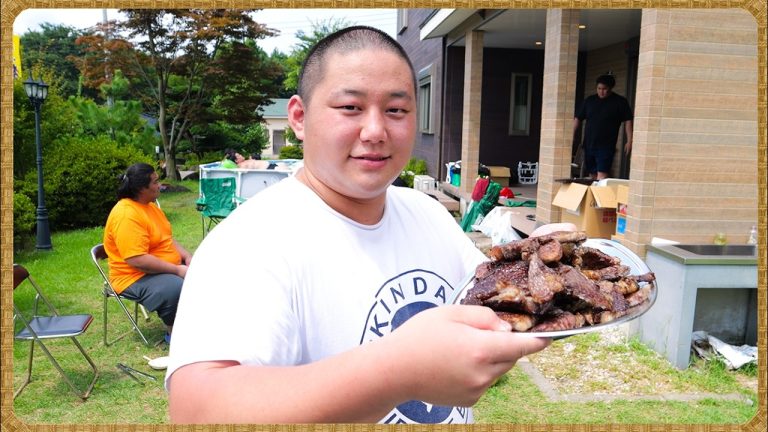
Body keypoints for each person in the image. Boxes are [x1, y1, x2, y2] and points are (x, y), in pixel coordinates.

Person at [166, 26, 551, 424]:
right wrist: (398, 371)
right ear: (299, 117)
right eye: (350, 107)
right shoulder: (249, 241)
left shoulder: (427, 213)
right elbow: (195, 407)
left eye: (396, 110)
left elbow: (493, 295)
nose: (375, 131)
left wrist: (549, 263)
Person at [103, 162, 192, 337]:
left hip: (157, 268)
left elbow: (167, 238)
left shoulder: (150, 206)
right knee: (176, 287)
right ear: (141, 189)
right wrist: (177, 269)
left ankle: (193, 324)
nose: (159, 185)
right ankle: (175, 335)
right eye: (155, 182)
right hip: (133, 276)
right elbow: (137, 260)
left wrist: (187, 257)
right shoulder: (126, 214)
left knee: (206, 271)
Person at [573, 74, 634, 180]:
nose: (601, 91)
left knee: (602, 174)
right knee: (593, 175)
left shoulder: (620, 102)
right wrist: (572, 135)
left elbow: (628, 120)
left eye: (604, 89)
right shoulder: (589, 101)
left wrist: (629, 140)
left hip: (606, 145)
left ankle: (600, 195)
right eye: (599, 88)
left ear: (610, 88)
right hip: (589, 144)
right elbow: (577, 118)